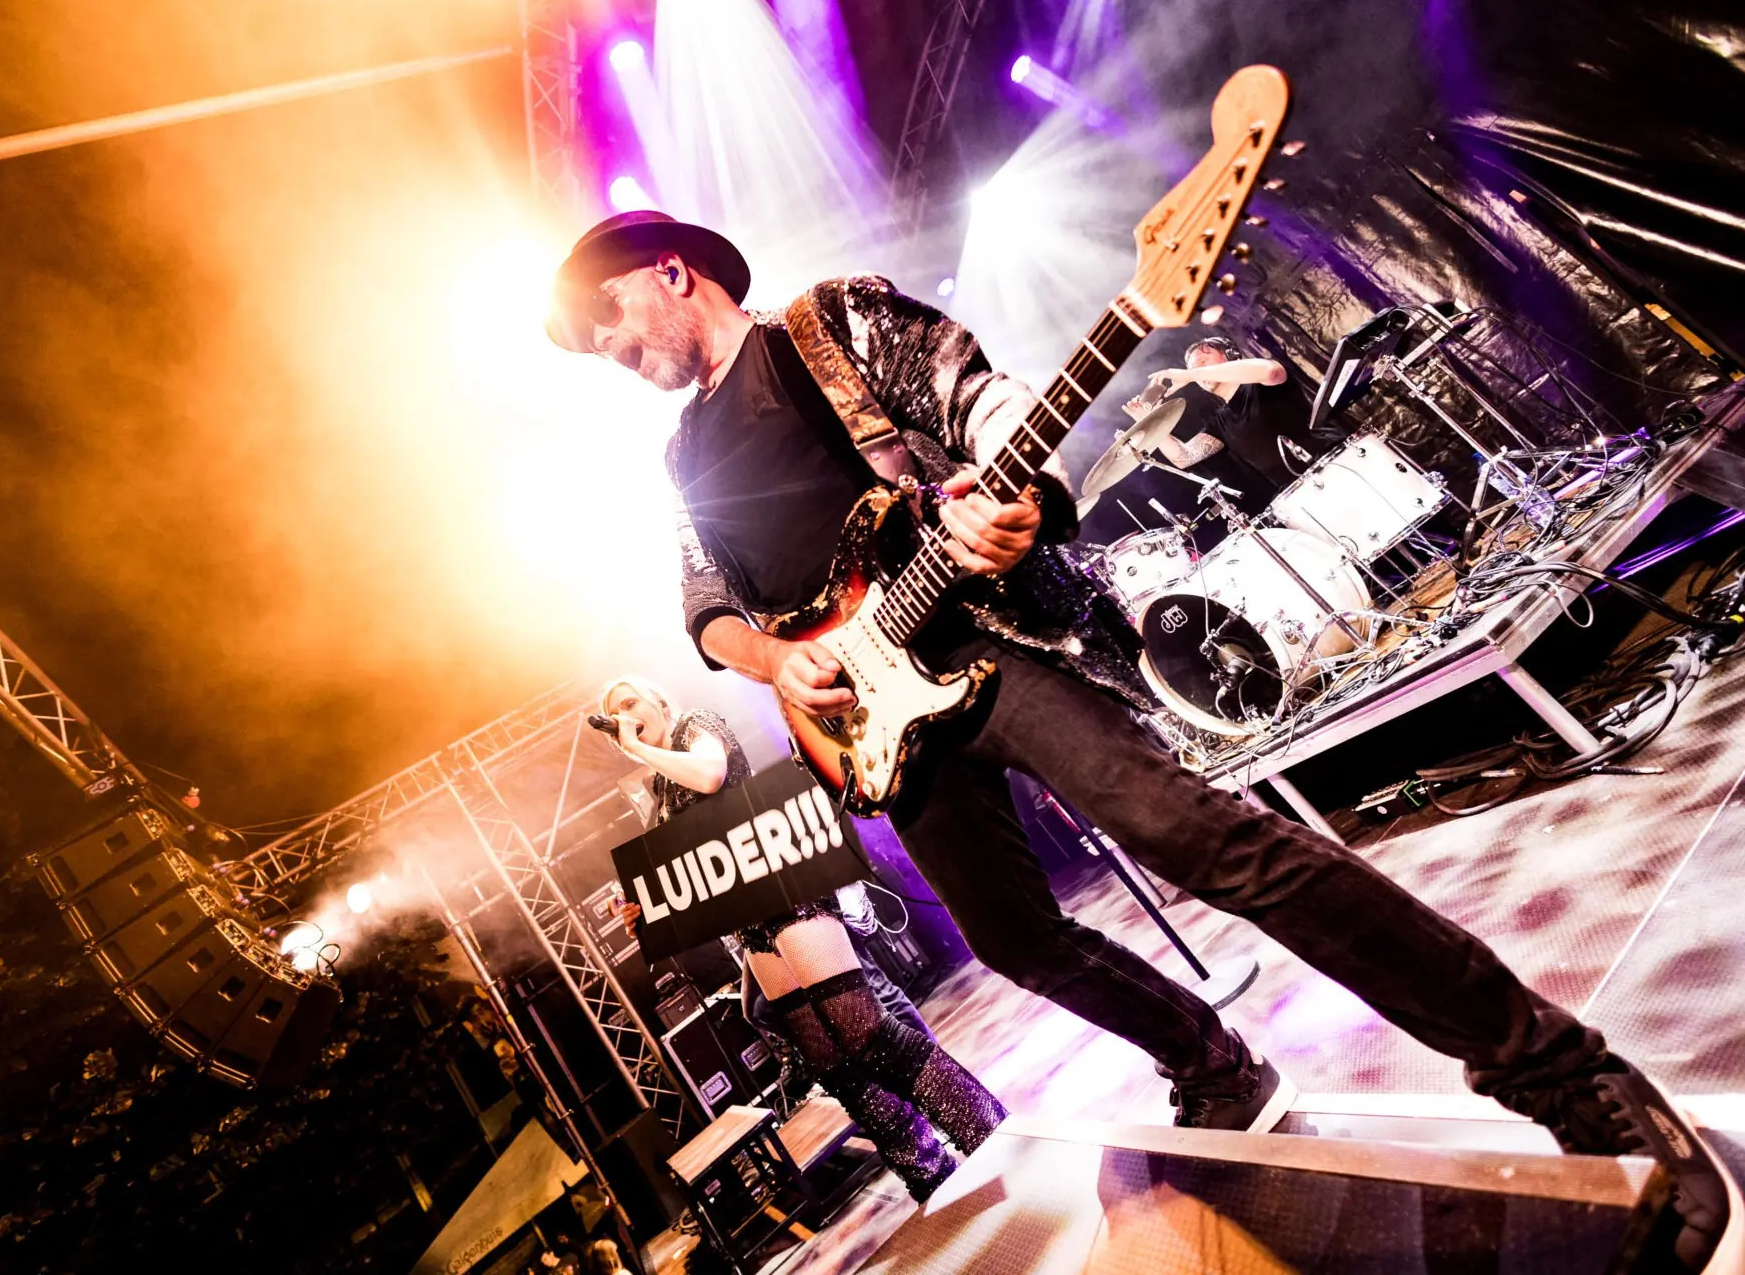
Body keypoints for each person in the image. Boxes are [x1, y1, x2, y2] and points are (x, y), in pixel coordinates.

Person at [546, 210, 1735, 1270]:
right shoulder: (680, 457)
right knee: (1014, 938)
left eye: (605, 317)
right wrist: (777, 661)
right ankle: (1214, 1064)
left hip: (992, 643)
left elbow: (985, 402)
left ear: (671, 269)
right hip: (872, 725)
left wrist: (1019, 499)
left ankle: (1564, 1070)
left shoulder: (825, 326)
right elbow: (707, 607)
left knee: (1205, 838)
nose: (608, 349)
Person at [600, 675, 1003, 1201]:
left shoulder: (695, 727)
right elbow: (680, 878)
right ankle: (924, 1165)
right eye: (615, 713)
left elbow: (712, 774)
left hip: (788, 894)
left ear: (659, 700)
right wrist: (643, 909)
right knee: (831, 1061)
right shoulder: (659, 790)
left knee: (865, 1030)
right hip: (752, 925)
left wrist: (635, 747)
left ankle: (984, 1127)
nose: (624, 716)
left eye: (630, 702)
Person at [1124, 334, 1327, 501]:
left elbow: (1271, 372)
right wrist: (1150, 422)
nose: (1198, 372)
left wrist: (1191, 374)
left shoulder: (1261, 381)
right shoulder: (1220, 422)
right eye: (1193, 369)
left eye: (1203, 362)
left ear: (1231, 356)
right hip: (1296, 498)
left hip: (1332, 463)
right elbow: (1183, 457)